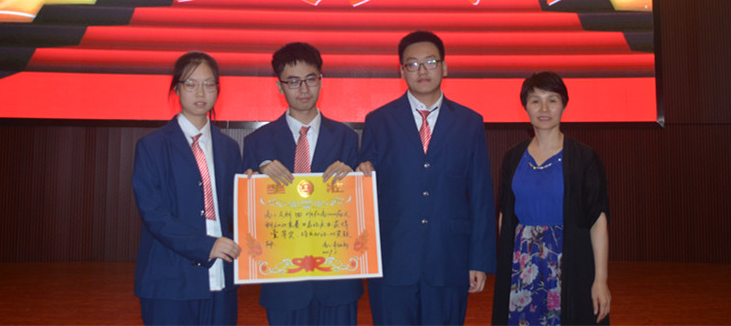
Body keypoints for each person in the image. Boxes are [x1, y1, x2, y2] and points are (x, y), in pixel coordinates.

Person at [357, 30, 496, 325]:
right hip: (393, 259)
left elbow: (481, 195)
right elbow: (366, 190)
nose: (422, 70)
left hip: (449, 258)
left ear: (444, 67)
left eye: (430, 62)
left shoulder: (470, 123)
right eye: (413, 64)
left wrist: (479, 260)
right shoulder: (378, 121)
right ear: (402, 71)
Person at [242, 42, 363, 325]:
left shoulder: (346, 138)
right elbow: (248, 214)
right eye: (293, 82)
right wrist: (253, 182)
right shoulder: (257, 143)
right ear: (279, 86)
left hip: (338, 279)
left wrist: (355, 178)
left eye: (310, 79)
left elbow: (359, 208)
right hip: (283, 280)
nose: (304, 89)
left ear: (321, 80)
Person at [492, 71, 611, 325]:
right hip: (522, 266)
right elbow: (505, 215)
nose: (544, 108)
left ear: (564, 105)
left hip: (569, 263)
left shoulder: (584, 158)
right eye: (536, 101)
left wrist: (600, 280)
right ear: (525, 107)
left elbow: (597, 220)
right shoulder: (512, 158)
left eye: (552, 100)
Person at [133, 51, 243, 325]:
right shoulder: (152, 147)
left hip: (221, 277)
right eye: (190, 84)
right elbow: (154, 215)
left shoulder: (229, 148)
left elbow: (237, 211)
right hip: (170, 280)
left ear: (217, 89)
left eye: (208, 84)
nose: (200, 92)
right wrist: (206, 246)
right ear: (177, 89)